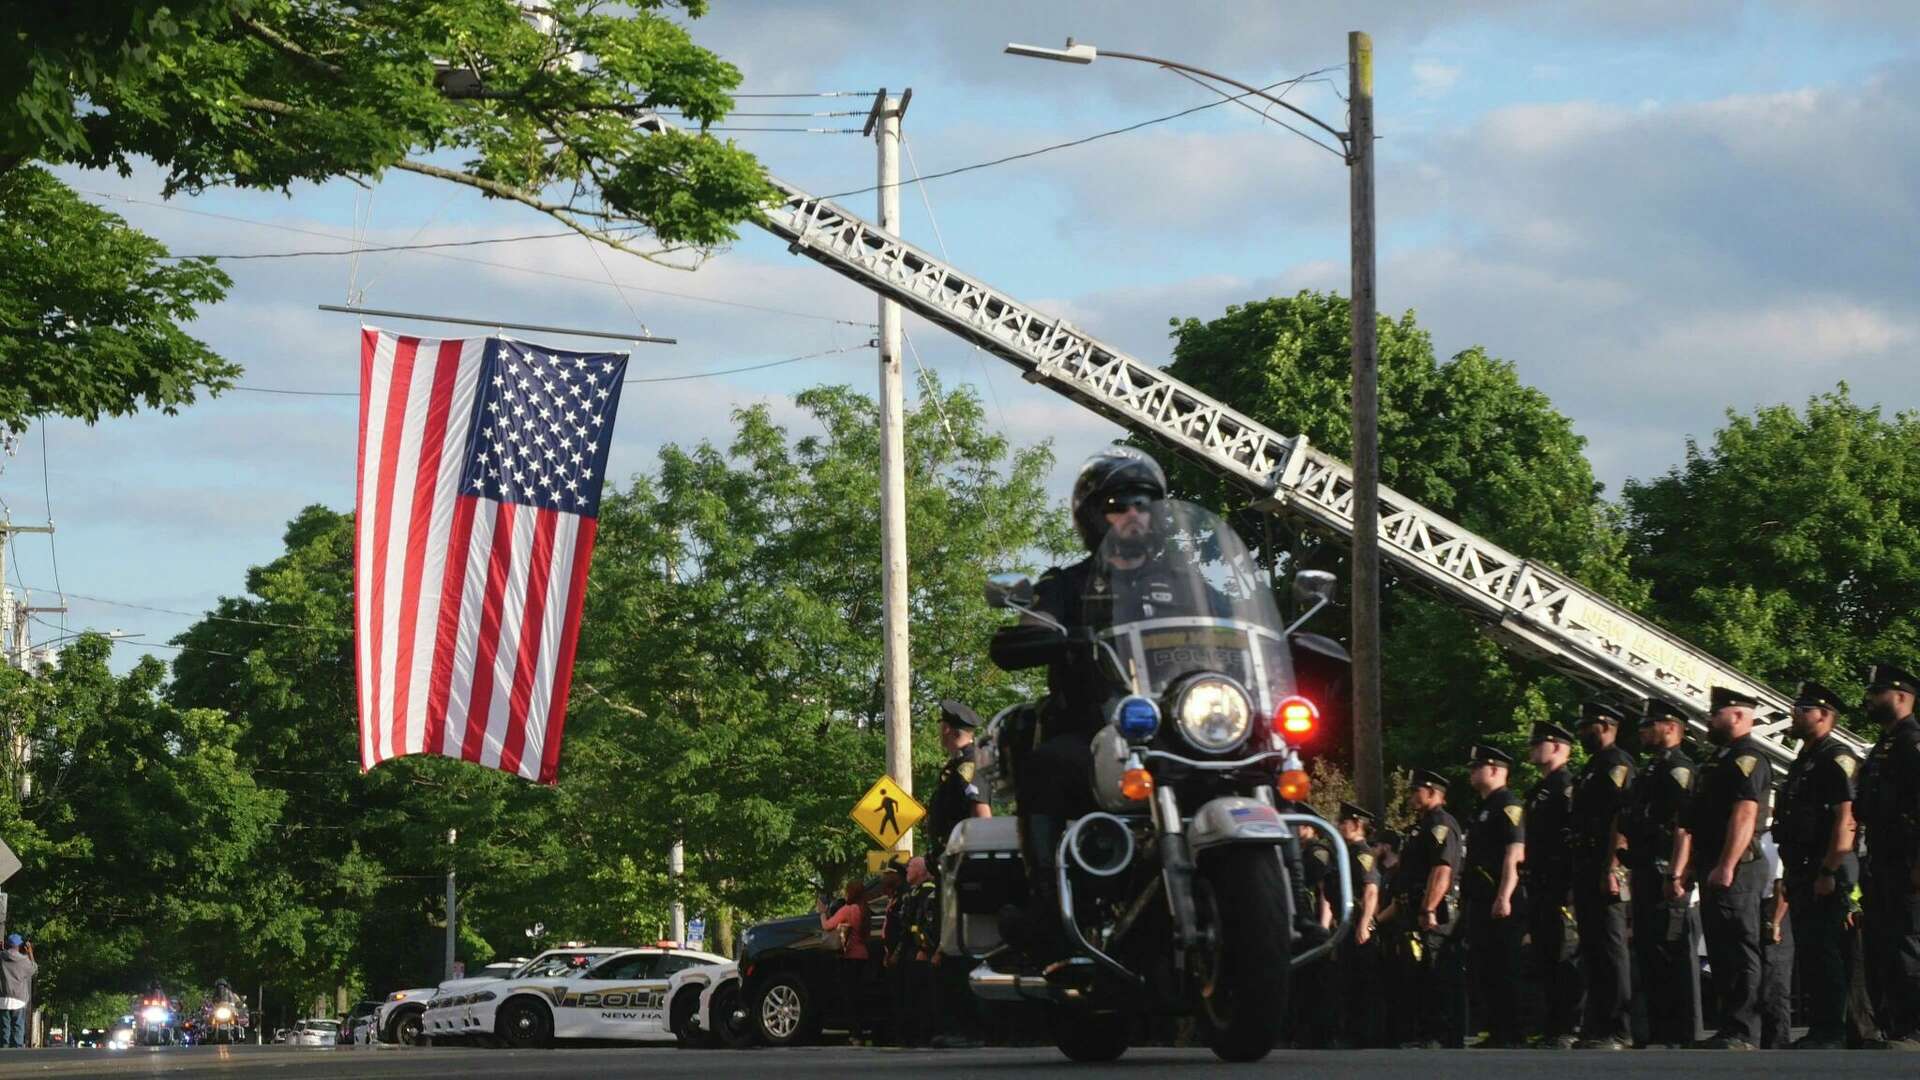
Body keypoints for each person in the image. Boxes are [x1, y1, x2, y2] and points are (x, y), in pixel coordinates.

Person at [988, 446, 1179, 954]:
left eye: (1145, 504)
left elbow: (1233, 627)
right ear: (1095, 515)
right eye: (1120, 504)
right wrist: (1045, 634)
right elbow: (1028, 628)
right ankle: (1048, 907)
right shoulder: (1067, 584)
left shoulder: (1184, 587)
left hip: (1179, 732)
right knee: (1044, 763)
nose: (1134, 514)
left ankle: (1287, 898)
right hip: (1094, 732)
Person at [1673, 685, 1773, 1049]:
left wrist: (1727, 863)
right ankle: (1730, 1026)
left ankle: (1745, 1029)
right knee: (1720, 948)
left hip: (1736, 866)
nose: (1710, 719)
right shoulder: (1718, 758)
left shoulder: (1748, 757)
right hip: (1711, 863)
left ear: (1738, 715)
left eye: (1716, 713)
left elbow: (1745, 813)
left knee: (1739, 944)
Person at [1772, 680, 1860, 1049]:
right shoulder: (1806, 759)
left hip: (1827, 868)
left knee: (1828, 951)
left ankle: (1834, 1030)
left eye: (1803, 709)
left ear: (1824, 716)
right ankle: (1821, 1028)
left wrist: (1828, 869)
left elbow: (1847, 818)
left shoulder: (1837, 757)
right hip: (1803, 866)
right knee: (1811, 951)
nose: (1795, 714)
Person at [1615, 697, 1699, 1048]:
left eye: (1650, 725)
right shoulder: (1651, 770)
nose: (1643, 732)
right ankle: (1659, 1031)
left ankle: (1681, 1033)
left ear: (1671, 727)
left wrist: (1676, 874)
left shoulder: (1680, 768)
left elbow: (1683, 825)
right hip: (1646, 869)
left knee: (1672, 952)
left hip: (1666, 870)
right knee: (1650, 953)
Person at [1855, 662, 1920, 1049]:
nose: (1869, 699)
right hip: (1881, 858)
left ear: (1900, 696)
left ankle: (1916, 1026)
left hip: (1905, 859)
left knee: (1908, 942)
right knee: (1883, 943)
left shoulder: (1913, 742)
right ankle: (1897, 1025)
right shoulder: (1885, 744)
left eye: (1877, 692)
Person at [1378, 768, 1466, 1049]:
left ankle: (1442, 1034)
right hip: (1411, 911)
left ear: (1432, 792)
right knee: (1417, 974)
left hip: (1433, 914)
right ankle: (1425, 1032)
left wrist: (1429, 907)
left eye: (1416, 791)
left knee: (1436, 972)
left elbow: (1442, 869)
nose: (1412, 796)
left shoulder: (1441, 823)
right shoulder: (1421, 826)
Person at [1569, 701, 1634, 1050]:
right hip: (1585, 862)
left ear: (1607, 726)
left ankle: (1617, 1027)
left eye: (1587, 726)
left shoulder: (1617, 764)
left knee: (1610, 947)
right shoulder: (1593, 767)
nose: (1581, 733)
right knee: (1592, 948)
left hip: (1604, 862)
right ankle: (1596, 1025)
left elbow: (1618, 820)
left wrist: (1613, 867)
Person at [1462, 743, 1526, 1049]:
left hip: (1498, 898)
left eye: (1478, 767)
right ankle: (1495, 1028)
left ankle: (1512, 1030)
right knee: (1485, 965)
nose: (1472, 773)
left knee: (1504, 964)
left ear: (1496, 770)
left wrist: (1504, 895)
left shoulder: (1507, 804)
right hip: (1478, 898)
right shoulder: (1483, 807)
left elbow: (1514, 852)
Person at [1523, 719, 1583, 1048]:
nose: (1533, 749)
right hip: (1541, 883)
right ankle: (1552, 1025)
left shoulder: (1567, 786)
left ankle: (1568, 1025)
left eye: (1539, 744)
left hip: (1561, 883)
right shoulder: (1539, 791)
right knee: (1545, 954)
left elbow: (1572, 837)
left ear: (1558, 747)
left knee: (1564, 954)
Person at [1329, 802, 1383, 1048]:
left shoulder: (1362, 852)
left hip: (1357, 924)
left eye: (1344, 821)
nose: (1339, 825)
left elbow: (1370, 890)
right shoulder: (1347, 852)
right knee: (1346, 980)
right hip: (1346, 922)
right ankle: (1350, 1032)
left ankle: (1362, 1035)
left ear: (1357, 824)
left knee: (1360, 982)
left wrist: (1364, 924)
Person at [925, 699, 992, 874]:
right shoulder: (956, 764)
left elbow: (982, 814)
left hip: (963, 866)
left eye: (941, 726)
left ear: (946, 728)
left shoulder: (968, 764)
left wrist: (979, 866)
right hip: (951, 862)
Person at [817, 880, 873, 1045]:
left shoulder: (848, 910)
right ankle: (864, 1030)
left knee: (850, 997)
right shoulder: (865, 910)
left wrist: (822, 912)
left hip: (850, 957)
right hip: (864, 956)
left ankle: (855, 1034)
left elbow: (827, 926)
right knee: (861, 996)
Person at [1757, 824, 1795, 1049]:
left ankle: (1778, 1040)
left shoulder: (1773, 839)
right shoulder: (1760, 837)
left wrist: (1776, 921)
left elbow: (1781, 885)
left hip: (1773, 908)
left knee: (1775, 976)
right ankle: (1764, 1037)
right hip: (1757, 904)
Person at [0, 936, 34, 1049]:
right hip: (19, 1000)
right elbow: (34, 969)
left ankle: (4, 1053)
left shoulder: (1, 957)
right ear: (19, 946)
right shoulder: (23, 960)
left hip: (3, 1000)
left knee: (5, 1030)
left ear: (8, 945)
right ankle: (17, 1054)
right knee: (18, 1029)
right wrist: (30, 953)